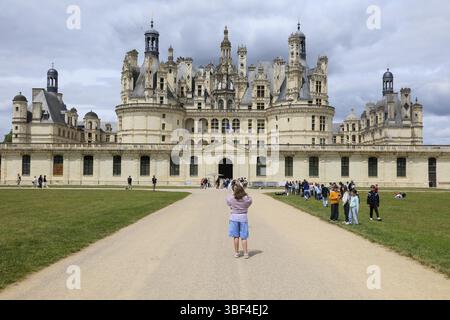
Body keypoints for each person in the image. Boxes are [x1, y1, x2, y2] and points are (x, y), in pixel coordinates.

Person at [226, 184, 253, 259]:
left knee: (236, 236)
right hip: (243, 217)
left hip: (234, 217)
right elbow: (250, 200)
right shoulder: (245, 198)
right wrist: (245, 194)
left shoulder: (231, 198)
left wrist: (232, 193)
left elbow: (228, 201)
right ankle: (245, 253)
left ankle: (236, 253)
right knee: (244, 237)